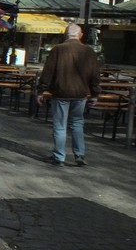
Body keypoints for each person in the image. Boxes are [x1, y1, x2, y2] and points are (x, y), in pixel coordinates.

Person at [36, 24, 100, 166]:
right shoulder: (88, 51)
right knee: (77, 124)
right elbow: (95, 75)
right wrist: (95, 94)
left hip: (60, 92)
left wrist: (41, 91)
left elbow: (48, 72)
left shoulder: (57, 49)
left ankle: (59, 157)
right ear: (80, 35)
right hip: (80, 93)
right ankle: (80, 155)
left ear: (65, 35)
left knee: (60, 125)